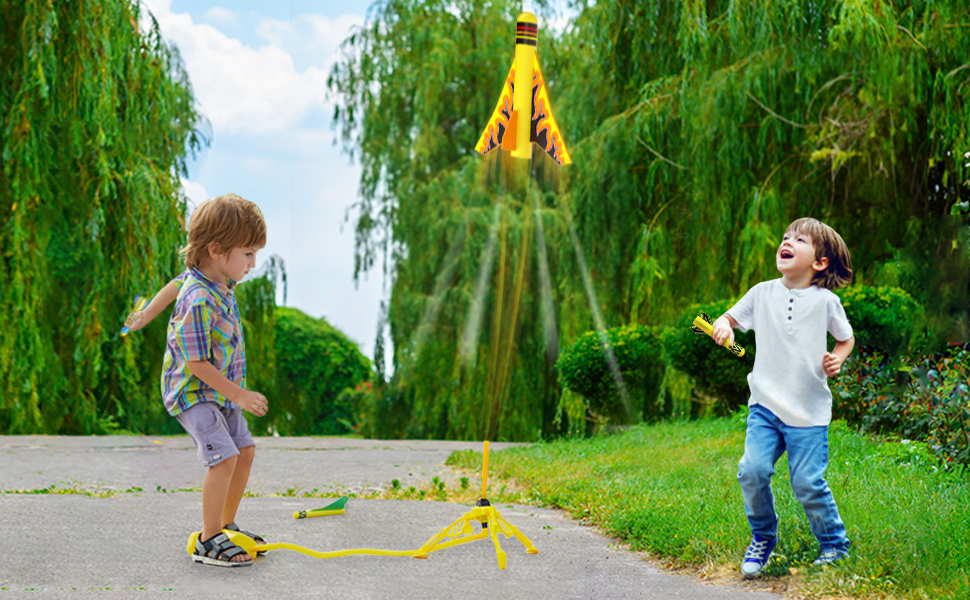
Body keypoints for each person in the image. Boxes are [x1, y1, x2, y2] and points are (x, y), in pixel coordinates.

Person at [129, 193, 270, 567]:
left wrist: (145, 314)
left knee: (246, 451)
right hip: (194, 392)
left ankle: (225, 524)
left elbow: (174, 283)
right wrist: (239, 394)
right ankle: (209, 539)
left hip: (219, 392)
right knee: (223, 457)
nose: (253, 264)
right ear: (217, 249)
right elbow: (196, 364)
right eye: (248, 254)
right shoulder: (200, 300)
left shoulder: (213, 279)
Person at [711, 217, 855, 578]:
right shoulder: (762, 293)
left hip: (808, 411)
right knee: (752, 470)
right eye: (786, 236)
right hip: (765, 406)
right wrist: (724, 326)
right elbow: (729, 318)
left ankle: (834, 544)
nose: (786, 241)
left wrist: (836, 358)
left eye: (799, 239)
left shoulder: (826, 301)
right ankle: (762, 536)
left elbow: (845, 338)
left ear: (819, 262)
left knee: (806, 482)